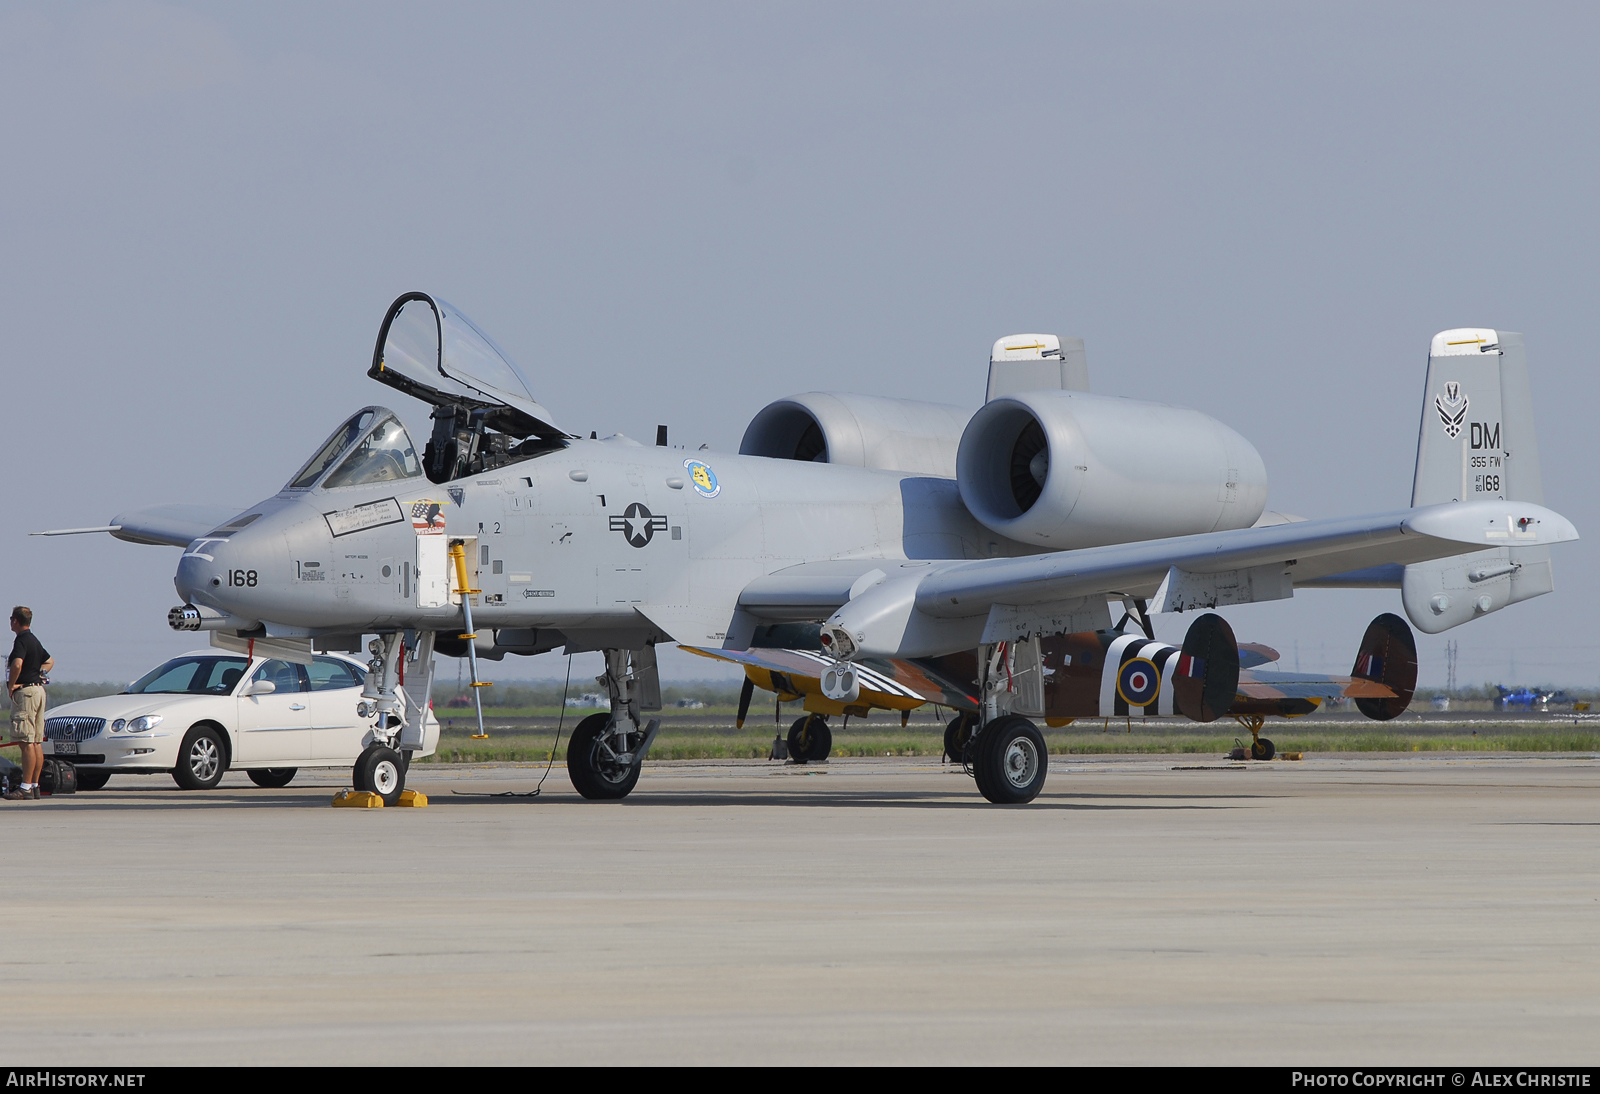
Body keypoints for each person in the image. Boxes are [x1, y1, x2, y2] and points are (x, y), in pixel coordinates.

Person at [7, 606, 53, 801]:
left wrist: (12, 684)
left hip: (26, 693)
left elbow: (17, 664)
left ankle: (25, 787)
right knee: (35, 741)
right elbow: (50, 661)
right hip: (39, 691)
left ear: (16, 621)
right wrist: (39, 674)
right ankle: (34, 785)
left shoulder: (22, 640)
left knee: (25, 742)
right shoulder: (34, 640)